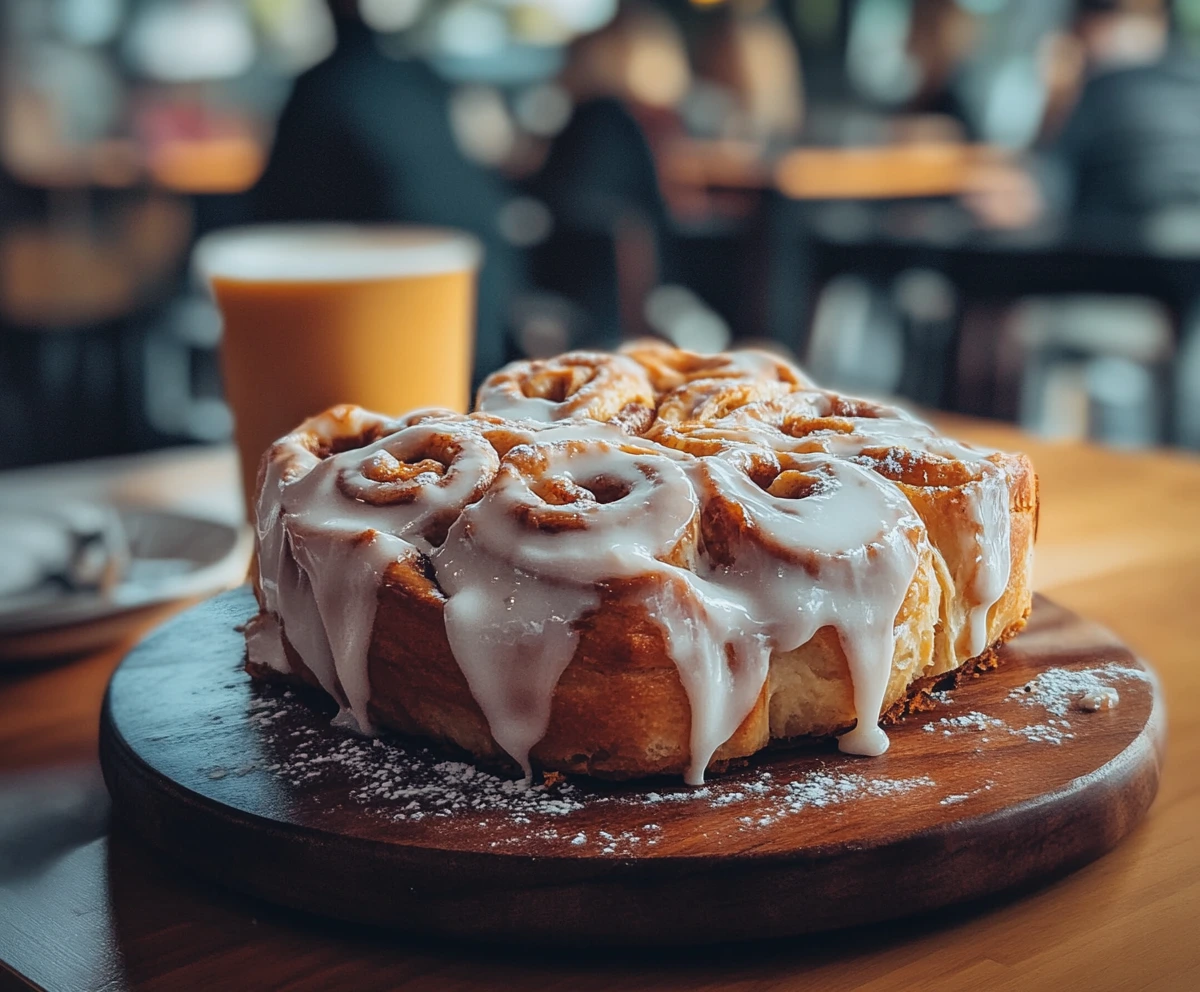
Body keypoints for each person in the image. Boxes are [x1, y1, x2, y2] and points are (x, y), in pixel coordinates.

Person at [252, 0, 523, 380]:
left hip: (398, 304)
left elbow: (277, 213)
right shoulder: (424, 77)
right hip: (483, 278)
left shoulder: (320, 86)